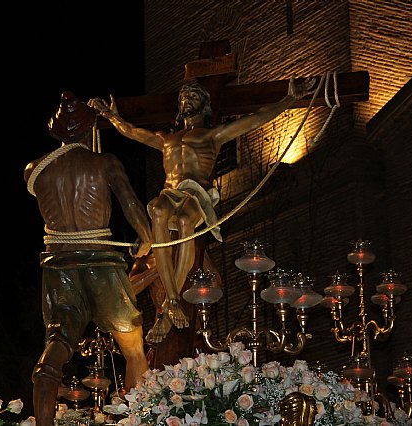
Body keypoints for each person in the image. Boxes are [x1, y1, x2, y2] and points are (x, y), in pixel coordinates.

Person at [89, 76, 314, 343]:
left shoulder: (212, 135)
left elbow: (254, 120)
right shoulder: (166, 139)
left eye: (194, 97)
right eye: (184, 97)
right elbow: (134, 132)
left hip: (195, 192)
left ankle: (170, 305)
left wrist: (289, 99)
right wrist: (112, 117)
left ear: (205, 106)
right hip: (169, 192)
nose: (187, 100)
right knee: (158, 211)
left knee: (185, 220)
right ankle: (172, 300)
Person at [25, 91, 152, 426]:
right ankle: (138, 418)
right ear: (88, 130)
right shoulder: (104, 162)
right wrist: (147, 238)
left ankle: (43, 421)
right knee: (133, 344)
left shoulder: (33, 171)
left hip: (57, 264)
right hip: (100, 262)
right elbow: (131, 206)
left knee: (58, 339)